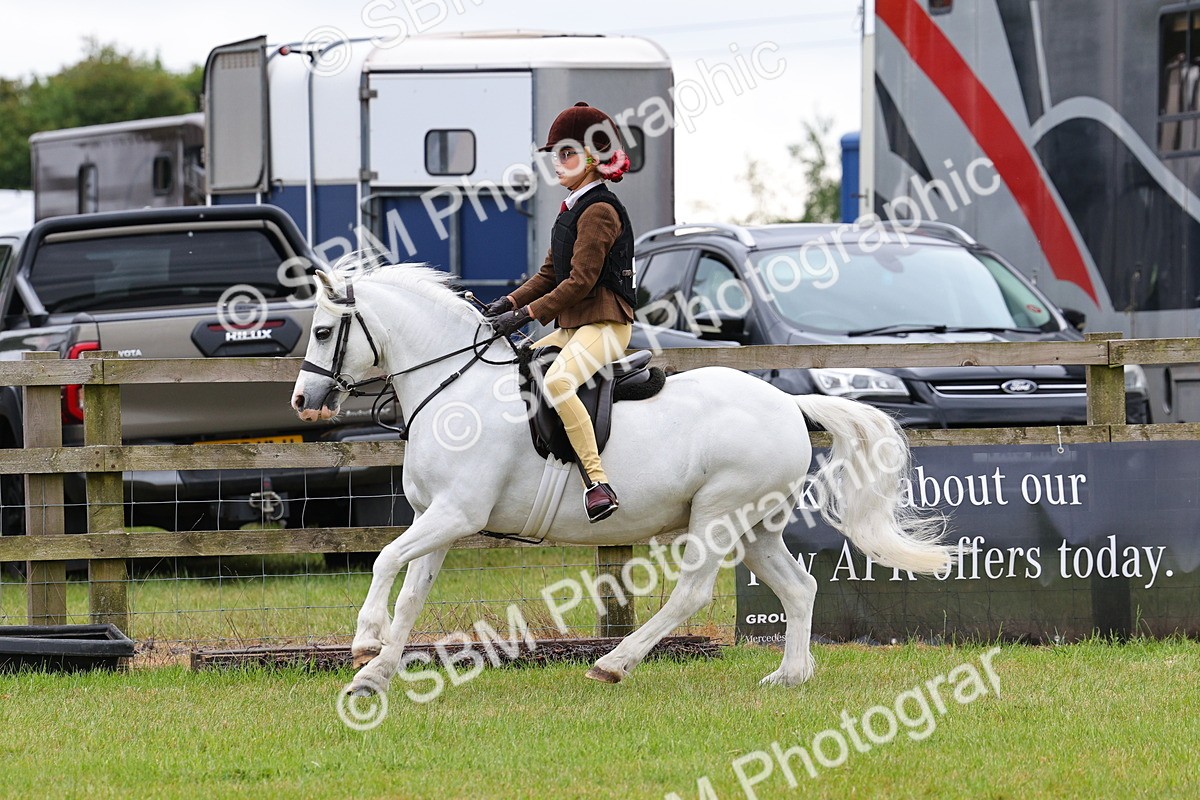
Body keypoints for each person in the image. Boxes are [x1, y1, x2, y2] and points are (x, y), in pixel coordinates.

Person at [486, 102, 636, 523]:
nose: (558, 162)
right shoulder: (571, 209)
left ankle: (597, 482)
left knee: (557, 381)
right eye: (556, 155)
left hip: (606, 325)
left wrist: (527, 314)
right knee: (523, 364)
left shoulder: (600, 211)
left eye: (567, 153)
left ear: (592, 158)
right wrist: (509, 303)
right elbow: (550, 273)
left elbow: (580, 282)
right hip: (577, 326)